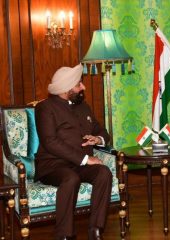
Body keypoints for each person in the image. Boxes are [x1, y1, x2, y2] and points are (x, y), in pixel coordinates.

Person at [34, 64, 112, 240]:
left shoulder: (83, 106)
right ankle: (64, 235)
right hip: (53, 165)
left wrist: (98, 139)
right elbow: (50, 142)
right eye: (79, 84)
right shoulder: (45, 108)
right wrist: (85, 159)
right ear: (67, 88)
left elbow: (101, 130)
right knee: (71, 178)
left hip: (78, 164)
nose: (83, 87)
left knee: (103, 173)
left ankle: (96, 230)